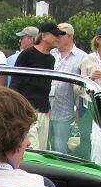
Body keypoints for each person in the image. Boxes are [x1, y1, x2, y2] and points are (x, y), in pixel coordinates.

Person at [11, 22, 64, 150]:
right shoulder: (26, 55)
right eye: (55, 35)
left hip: (43, 111)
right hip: (27, 111)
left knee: (42, 149)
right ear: (44, 36)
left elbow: (46, 85)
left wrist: (48, 107)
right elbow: (15, 84)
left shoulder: (51, 59)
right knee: (32, 149)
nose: (58, 38)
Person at [50, 22, 87, 154]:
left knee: (60, 149)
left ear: (70, 36)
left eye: (60, 35)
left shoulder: (82, 57)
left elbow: (84, 89)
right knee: (43, 148)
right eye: (55, 35)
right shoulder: (51, 53)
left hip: (66, 111)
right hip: (46, 109)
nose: (56, 37)